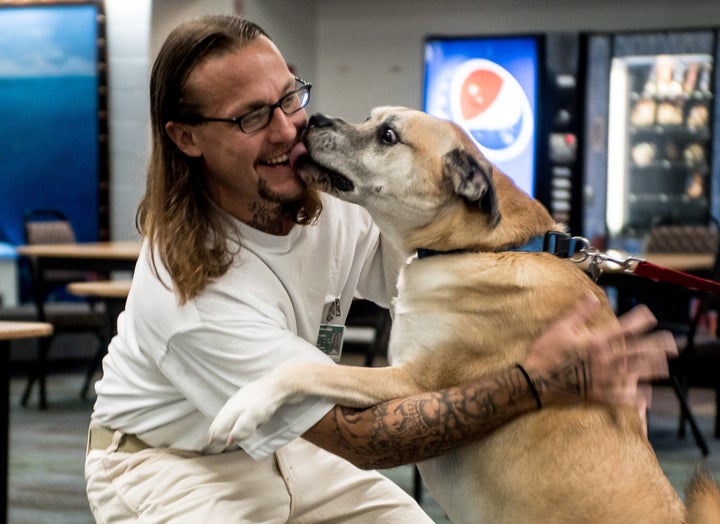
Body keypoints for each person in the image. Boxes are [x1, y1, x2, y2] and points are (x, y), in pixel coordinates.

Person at [84, 14, 676, 523]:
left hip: (292, 447)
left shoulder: (328, 202)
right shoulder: (189, 293)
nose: (291, 129)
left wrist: (575, 331)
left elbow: (466, 266)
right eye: (252, 118)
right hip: (170, 463)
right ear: (187, 137)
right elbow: (361, 438)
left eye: (291, 96)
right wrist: (532, 384)